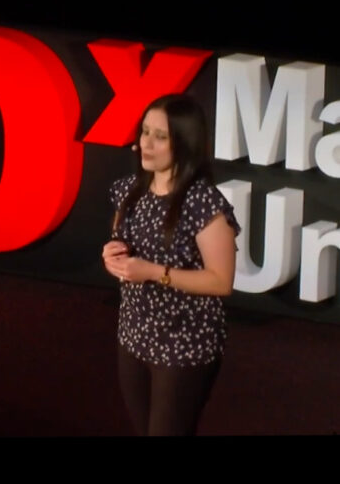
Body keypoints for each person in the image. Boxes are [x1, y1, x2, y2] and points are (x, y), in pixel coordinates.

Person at [101, 93, 240, 436]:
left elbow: (221, 280)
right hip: (133, 334)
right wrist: (112, 256)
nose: (146, 144)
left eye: (160, 136)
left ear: (185, 143)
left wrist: (153, 273)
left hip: (185, 342)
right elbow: (121, 244)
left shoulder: (204, 203)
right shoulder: (129, 190)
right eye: (145, 131)